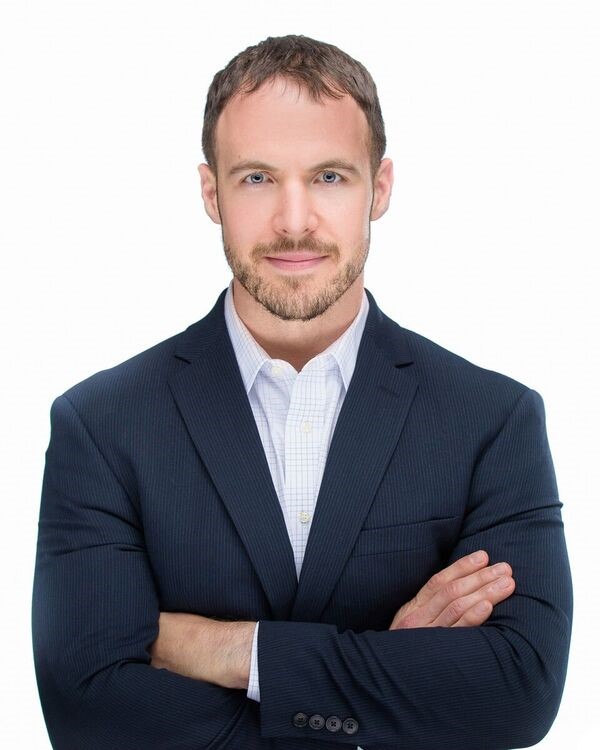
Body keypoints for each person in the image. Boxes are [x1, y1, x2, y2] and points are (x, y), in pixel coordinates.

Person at [32, 35, 572, 750]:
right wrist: (390, 674)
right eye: (257, 178)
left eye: (329, 177)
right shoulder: (102, 426)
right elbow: (87, 712)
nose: (293, 221)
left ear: (380, 188)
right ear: (211, 192)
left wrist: (237, 652)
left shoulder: (492, 421)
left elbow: (519, 692)